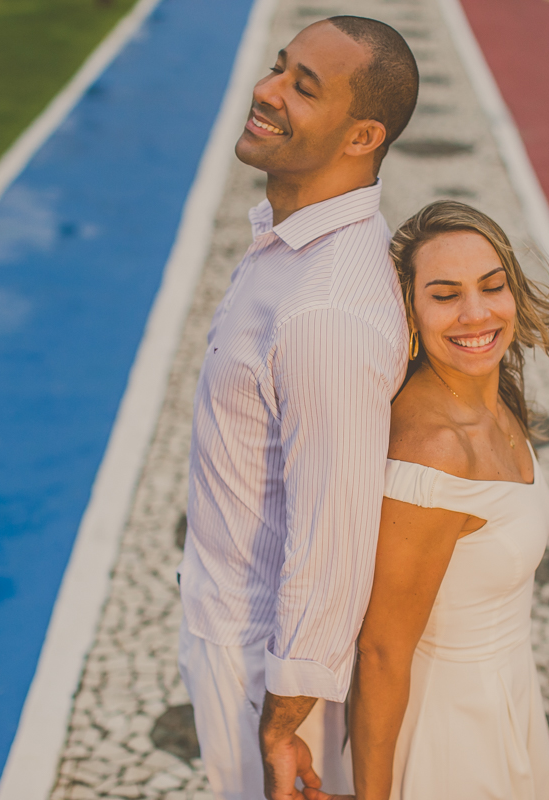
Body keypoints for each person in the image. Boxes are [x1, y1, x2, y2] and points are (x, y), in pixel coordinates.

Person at [176, 15, 419, 800]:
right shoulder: (292, 246)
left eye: (301, 88)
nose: (266, 90)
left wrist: (283, 724)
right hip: (233, 628)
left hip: (259, 660)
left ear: (361, 136)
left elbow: (334, 537)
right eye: (279, 68)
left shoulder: (325, 312)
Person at [305, 201, 549, 800]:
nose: (476, 313)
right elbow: (380, 653)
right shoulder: (433, 453)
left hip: (507, 699)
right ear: (409, 310)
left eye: (492, 286)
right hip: (451, 739)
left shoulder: (492, 397)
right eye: (445, 294)